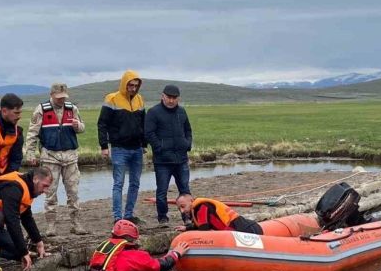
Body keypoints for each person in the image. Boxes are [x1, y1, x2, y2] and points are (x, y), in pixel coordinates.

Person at [24, 83, 87, 236]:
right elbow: (32, 133)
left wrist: (78, 125)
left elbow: (82, 128)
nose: (61, 100)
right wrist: (30, 154)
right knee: (50, 193)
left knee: (73, 192)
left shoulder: (72, 109)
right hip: (50, 157)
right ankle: (51, 226)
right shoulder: (41, 110)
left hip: (70, 156)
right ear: (51, 95)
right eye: (58, 97)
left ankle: (76, 224)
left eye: (63, 97)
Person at [84, 219, 189, 271]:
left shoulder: (104, 251)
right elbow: (161, 266)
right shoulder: (134, 255)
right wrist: (176, 253)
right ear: (133, 239)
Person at [97, 70, 147, 224]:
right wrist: (104, 146)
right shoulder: (112, 99)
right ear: (124, 84)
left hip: (137, 149)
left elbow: (143, 124)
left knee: (135, 183)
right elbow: (102, 123)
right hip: (119, 148)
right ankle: (118, 217)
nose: (132, 88)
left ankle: (129, 214)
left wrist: (144, 144)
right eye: (130, 85)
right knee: (118, 183)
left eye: (135, 86)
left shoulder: (140, 100)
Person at [144, 84, 192, 225]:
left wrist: (187, 144)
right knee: (162, 191)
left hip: (181, 159)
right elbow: (149, 133)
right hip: (162, 161)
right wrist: (159, 147)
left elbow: (188, 130)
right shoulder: (153, 112)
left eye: (174, 98)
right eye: (169, 97)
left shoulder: (182, 112)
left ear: (178, 98)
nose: (171, 100)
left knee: (185, 190)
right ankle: (163, 218)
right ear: (162, 96)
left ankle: (187, 217)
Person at [175, 194, 263, 234]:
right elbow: (201, 225)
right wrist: (186, 227)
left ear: (191, 201)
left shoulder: (202, 207)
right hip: (249, 227)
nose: (182, 211)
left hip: (247, 230)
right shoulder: (198, 208)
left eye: (183, 206)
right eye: (179, 209)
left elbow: (204, 229)